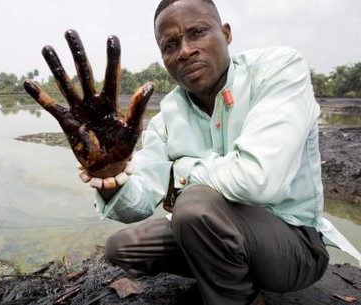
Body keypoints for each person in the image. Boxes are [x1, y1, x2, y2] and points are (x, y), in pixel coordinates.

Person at [24, 0, 361, 304]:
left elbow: (260, 181)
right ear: (164, 58)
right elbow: (143, 198)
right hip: (221, 232)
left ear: (226, 34)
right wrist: (113, 174)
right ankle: (224, 267)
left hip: (294, 245)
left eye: (197, 33)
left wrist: (181, 171)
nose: (184, 51)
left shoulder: (277, 69)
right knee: (122, 246)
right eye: (170, 45)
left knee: (193, 205)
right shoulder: (169, 113)